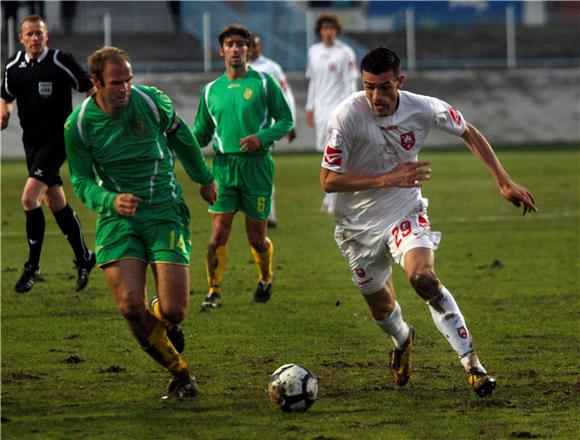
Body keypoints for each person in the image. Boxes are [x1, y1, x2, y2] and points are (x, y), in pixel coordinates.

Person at [320, 47, 536, 397]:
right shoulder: (346, 116)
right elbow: (328, 181)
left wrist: (503, 180)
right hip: (355, 227)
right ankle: (402, 338)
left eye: (385, 87)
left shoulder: (423, 107)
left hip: (404, 211)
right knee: (382, 308)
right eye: (369, 87)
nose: (377, 96)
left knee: (424, 279)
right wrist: (388, 177)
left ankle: (473, 365)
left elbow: (468, 131)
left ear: (399, 82)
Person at [64, 46, 217, 400]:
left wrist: (204, 178)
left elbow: (182, 136)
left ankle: (160, 318)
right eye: (117, 83)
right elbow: (82, 182)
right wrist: (109, 201)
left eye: (129, 81)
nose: (125, 89)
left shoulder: (150, 102)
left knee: (174, 309)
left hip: (165, 210)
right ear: (96, 83)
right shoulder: (80, 125)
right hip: (118, 220)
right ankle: (180, 374)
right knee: (129, 307)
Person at [194, 24, 293, 310]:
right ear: (221, 51)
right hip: (224, 168)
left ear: (248, 50)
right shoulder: (211, 90)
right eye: (230, 44)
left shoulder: (263, 83)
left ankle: (265, 278)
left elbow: (286, 120)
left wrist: (261, 138)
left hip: (257, 167)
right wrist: (180, 141)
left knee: (256, 237)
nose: (236, 49)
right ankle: (213, 291)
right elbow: (201, 133)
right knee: (218, 232)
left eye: (241, 44)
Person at [1, 15, 96, 294]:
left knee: (30, 198)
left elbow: (90, 90)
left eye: (39, 33)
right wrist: (3, 111)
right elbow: (5, 95)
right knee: (56, 203)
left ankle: (32, 267)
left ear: (46, 36)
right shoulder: (13, 65)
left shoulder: (60, 60)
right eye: (29, 34)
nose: (34, 38)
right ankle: (84, 257)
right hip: (30, 143)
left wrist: (88, 122)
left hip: (57, 141)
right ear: (21, 38)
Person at [306, 13, 358, 215]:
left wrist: (351, 109)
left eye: (332, 28)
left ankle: (331, 198)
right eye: (325, 28)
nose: (329, 32)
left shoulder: (345, 53)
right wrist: (310, 107)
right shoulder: (313, 52)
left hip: (339, 111)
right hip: (320, 111)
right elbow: (313, 82)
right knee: (325, 153)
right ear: (319, 31)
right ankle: (335, 193)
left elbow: (350, 83)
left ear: (337, 31)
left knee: (337, 152)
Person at [248, 33, 297, 229]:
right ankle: (254, 212)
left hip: (266, 127)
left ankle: (268, 215)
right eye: (249, 45)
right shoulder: (236, 71)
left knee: (262, 167)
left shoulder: (271, 68)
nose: (252, 49)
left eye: (255, 45)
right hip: (243, 127)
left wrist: (289, 122)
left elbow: (286, 94)